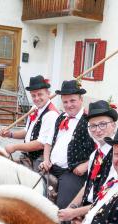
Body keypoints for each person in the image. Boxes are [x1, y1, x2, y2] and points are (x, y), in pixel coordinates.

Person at [57, 100, 118, 223]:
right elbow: (87, 186)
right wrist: (71, 207)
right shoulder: (95, 155)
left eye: (103, 124)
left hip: (104, 216)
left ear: (113, 125)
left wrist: (74, 212)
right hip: (88, 210)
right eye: (93, 125)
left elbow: (108, 200)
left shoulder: (117, 157)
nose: (97, 130)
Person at [40, 80, 95, 208]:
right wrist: (46, 160)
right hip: (52, 167)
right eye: (65, 102)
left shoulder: (89, 121)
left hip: (72, 172)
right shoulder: (61, 117)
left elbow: (101, 149)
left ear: (81, 99)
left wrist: (86, 165)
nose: (69, 105)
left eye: (72, 101)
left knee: (62, 206)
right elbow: (48, 143)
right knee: (33, 194)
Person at [0, 75, 59, 170]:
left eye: (40, 94)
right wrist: (10, 134)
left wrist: (15, 147)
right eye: (33, 95)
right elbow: (27, 131)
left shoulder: (51, 114)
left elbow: (40, 143)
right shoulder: (35, 108)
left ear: (48, 93)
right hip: (27, 157)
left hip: (40, 160)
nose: (36, 98)